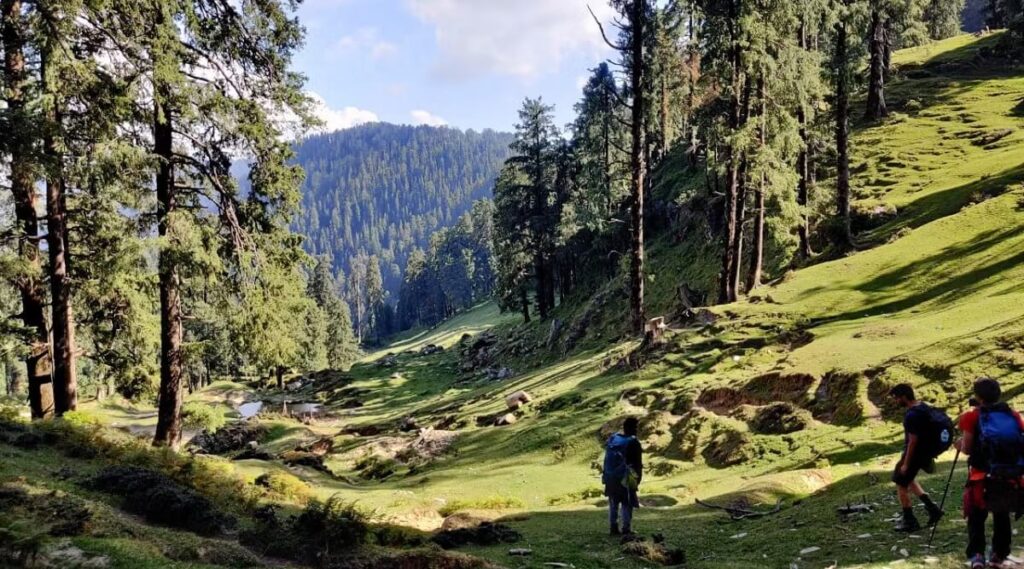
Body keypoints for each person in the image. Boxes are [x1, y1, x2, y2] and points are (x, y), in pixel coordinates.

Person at [957, 377, 1024, 569]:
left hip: (980, 474)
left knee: (976, 514)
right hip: (1007, 473)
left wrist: (958, 445)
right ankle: (999, 554)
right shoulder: (1013, 415)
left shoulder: (971, 416)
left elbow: (967, 448)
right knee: (1001, 513)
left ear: (978, 396)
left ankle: (977, 556)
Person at [889, 383, 944, 532]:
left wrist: (906, 463)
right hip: (924, 453)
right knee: (910, 479)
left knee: (901, 484)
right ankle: (933, 510)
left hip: (914, 454)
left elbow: (913, 441)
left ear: (904, 397)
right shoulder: (924, 407)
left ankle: (910, 521)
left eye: (896, 398)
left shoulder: (912, 415)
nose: (895, 401)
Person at [602, 416, 643, 536]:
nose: (637, 430)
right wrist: (637, 479)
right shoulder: (634, 442)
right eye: (636, 427)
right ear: (634, 429)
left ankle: (613, 528)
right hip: (627, 476)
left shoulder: (614, 438)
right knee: (627, 503)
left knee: (613, 503)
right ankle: (626, 529)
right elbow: (637, 464)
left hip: (610, 476)